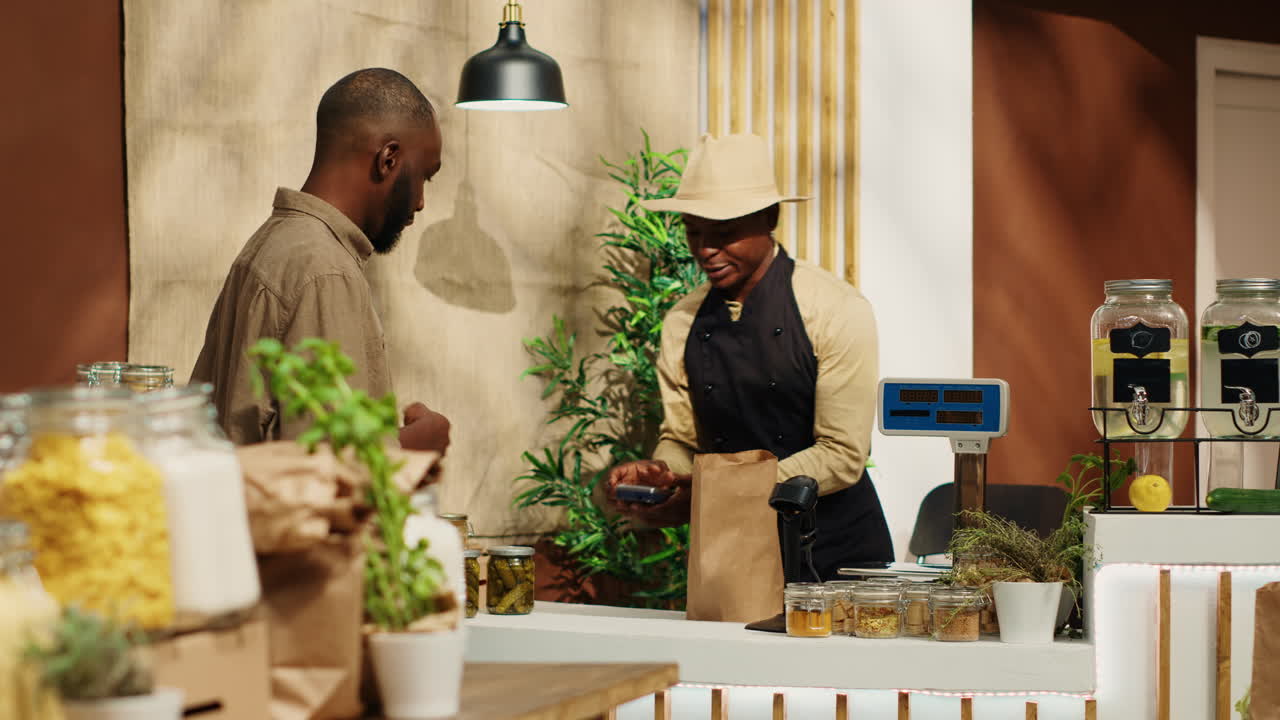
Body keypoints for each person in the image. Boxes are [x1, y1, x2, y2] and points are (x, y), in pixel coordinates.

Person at [604, 133, 893, 579]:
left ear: (770, 218)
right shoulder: (682, 321)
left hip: (836, 552)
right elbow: (681, 438)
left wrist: (719, 487)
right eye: (693, 232)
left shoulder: (837, 309)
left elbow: (841, 455)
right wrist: (660, 472)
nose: (704, 250)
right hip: (732, 547)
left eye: (722, 234)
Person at [190, 68, 450, 453]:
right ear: (389, 158)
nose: (420, 203)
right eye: (424, 177)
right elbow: (330, 471)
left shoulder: (272, 244)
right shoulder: (323, 271)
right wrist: (416, 446)